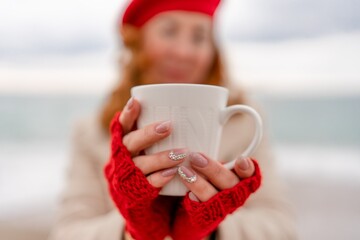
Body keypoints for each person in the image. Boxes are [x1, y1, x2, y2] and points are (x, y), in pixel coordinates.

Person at [49, 0, 297, 239]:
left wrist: (209, 230)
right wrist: (135, 229)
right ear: (139, 43)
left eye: (199, 37)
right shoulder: (92, 132)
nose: (183, 52)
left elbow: (281, 228)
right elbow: (67, 233)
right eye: (169, 32)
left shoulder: (243, 122)